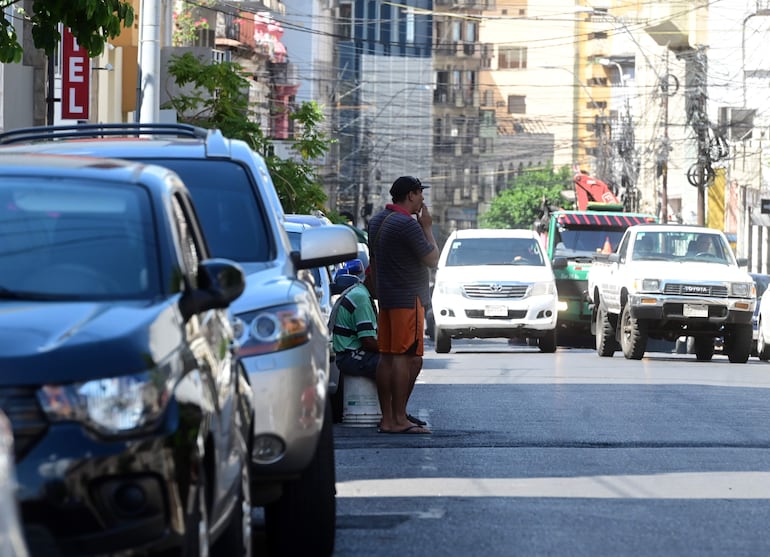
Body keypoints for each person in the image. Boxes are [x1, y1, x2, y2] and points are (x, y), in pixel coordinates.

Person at [368, 176, 439, 434]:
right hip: (408, 300)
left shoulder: (377, 220)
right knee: (406, 359)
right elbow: (432, 259)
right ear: (411, 195)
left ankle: (389, 417)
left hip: (386, 299)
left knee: (387, 357)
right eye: (420, 194)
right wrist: (428, 228)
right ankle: (398, 419)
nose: (422, 199)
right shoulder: (407, 225)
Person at [330, 260, 429, 427]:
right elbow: (368, 342)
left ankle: (398, 412)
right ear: (372, 278)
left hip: (354, 352)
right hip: (350, 355)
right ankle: (396, 414)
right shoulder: (361, 298)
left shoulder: (363, 294)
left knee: (409, 360)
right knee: (401, 363)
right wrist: (397, 351)